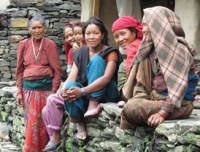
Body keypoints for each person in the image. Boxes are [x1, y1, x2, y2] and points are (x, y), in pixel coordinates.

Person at [42, 17, 123, 151]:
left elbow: (107, 78)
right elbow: (72, 77)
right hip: (85, 91)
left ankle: (93, 102)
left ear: (102, 35)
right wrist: (64, 90)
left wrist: (83, 91)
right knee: (69, 87)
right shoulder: (80, 53)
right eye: (88, 33)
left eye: (95, 33)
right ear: (84, 35)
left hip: (106, 92)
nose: (91, 37)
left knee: (97, 60)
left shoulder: (110, 52)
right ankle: (78, 120)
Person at [120, 6, 199, 130]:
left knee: (131, 108)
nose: (143, 30)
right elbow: (142, 83)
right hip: (154, 98)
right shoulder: (150, 51)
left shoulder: (179, 50)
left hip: (178, 104)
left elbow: (178, 89)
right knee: (132, 105)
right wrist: (140, 99)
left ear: (160, 26)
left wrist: (163, 112)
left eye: (147, 25)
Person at [16, 14, 61, 152]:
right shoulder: (23, 44)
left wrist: (53, 93)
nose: (37, 31)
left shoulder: (50, 44)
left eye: (39, 27)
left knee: (43, 124)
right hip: (28, 92)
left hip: (46, 92)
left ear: (45, 28)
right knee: (31, 125)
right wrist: (19, 91)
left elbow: (57, 71)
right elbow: (19, 70)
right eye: (34, 28)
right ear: (29, 29)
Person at [111, 15, 143, 107]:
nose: (120, 39)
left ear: (133, 33)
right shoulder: (139, 43)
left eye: (123, 34)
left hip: (139, 86)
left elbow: (130, 68)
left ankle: (126, 97)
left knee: (123, 66)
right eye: (116, 36)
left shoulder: (133, 46)